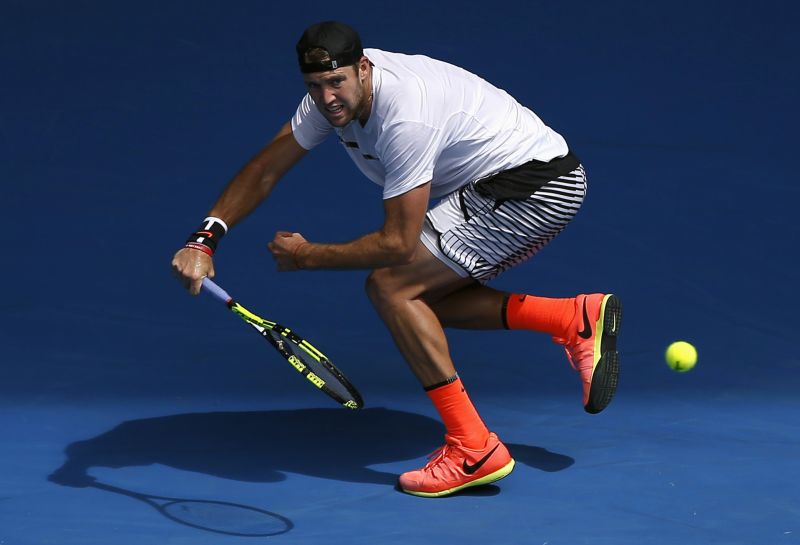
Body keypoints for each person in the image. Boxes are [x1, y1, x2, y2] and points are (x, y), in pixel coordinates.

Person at [172, 21, 622, 498]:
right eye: (314, 86)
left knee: (392, 285)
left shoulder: (406, 115)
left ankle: (474, 448)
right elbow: (266, 168)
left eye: (336, 82)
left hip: (531, 185)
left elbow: (397, 245)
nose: (326, 98)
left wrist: (306, 256)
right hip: (511, 183)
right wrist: (205, 238)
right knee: (419, 299)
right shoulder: (330, 100)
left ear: (363, 69)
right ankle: (573, 318)